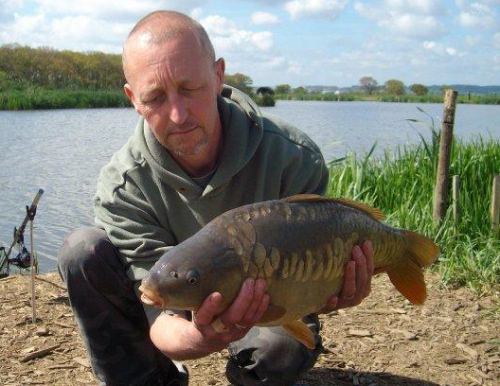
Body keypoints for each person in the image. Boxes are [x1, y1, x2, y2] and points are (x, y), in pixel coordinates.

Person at [57, 10, 374, 386]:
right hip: (179, 289)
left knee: (280, 351)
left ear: (218, 75)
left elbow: (311, 283)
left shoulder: (292, 157)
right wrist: (203, 336)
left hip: (268, 302)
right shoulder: (123, 187)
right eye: (155, 98)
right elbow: (162, 320)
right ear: (133, 99)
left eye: (189, 88)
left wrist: (334, 286)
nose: (178, 115)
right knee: (82, 251)